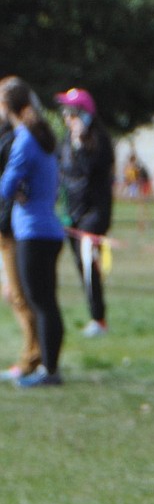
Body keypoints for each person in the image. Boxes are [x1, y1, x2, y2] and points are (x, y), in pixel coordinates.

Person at [0, 78, 66, 387]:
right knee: (47, 302)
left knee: (40, 303)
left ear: (6, 107)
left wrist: (16, 190)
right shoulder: (40, 136)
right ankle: (49, 368)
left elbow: (5, 186)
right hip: (49, 229)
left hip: (31, 231)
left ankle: (48, 371)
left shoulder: (24, 138)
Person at [57, 87, 115, 336]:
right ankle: (95, 316)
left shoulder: (99, 143)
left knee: (89, 266)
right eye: (65, 114)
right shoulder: (64, 142)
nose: (68, 119)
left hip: (94, 214)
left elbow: (92, 171)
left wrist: (81, 145)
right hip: (72, 213)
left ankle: (98, 319)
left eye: (72, 114)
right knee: (82, 267)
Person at [0, 114, 43, 379]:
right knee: (11, 294)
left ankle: (33, 356)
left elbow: (11, 189)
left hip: (9, 229)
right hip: (6, 228)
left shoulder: (10, 140)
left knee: (19, 294)